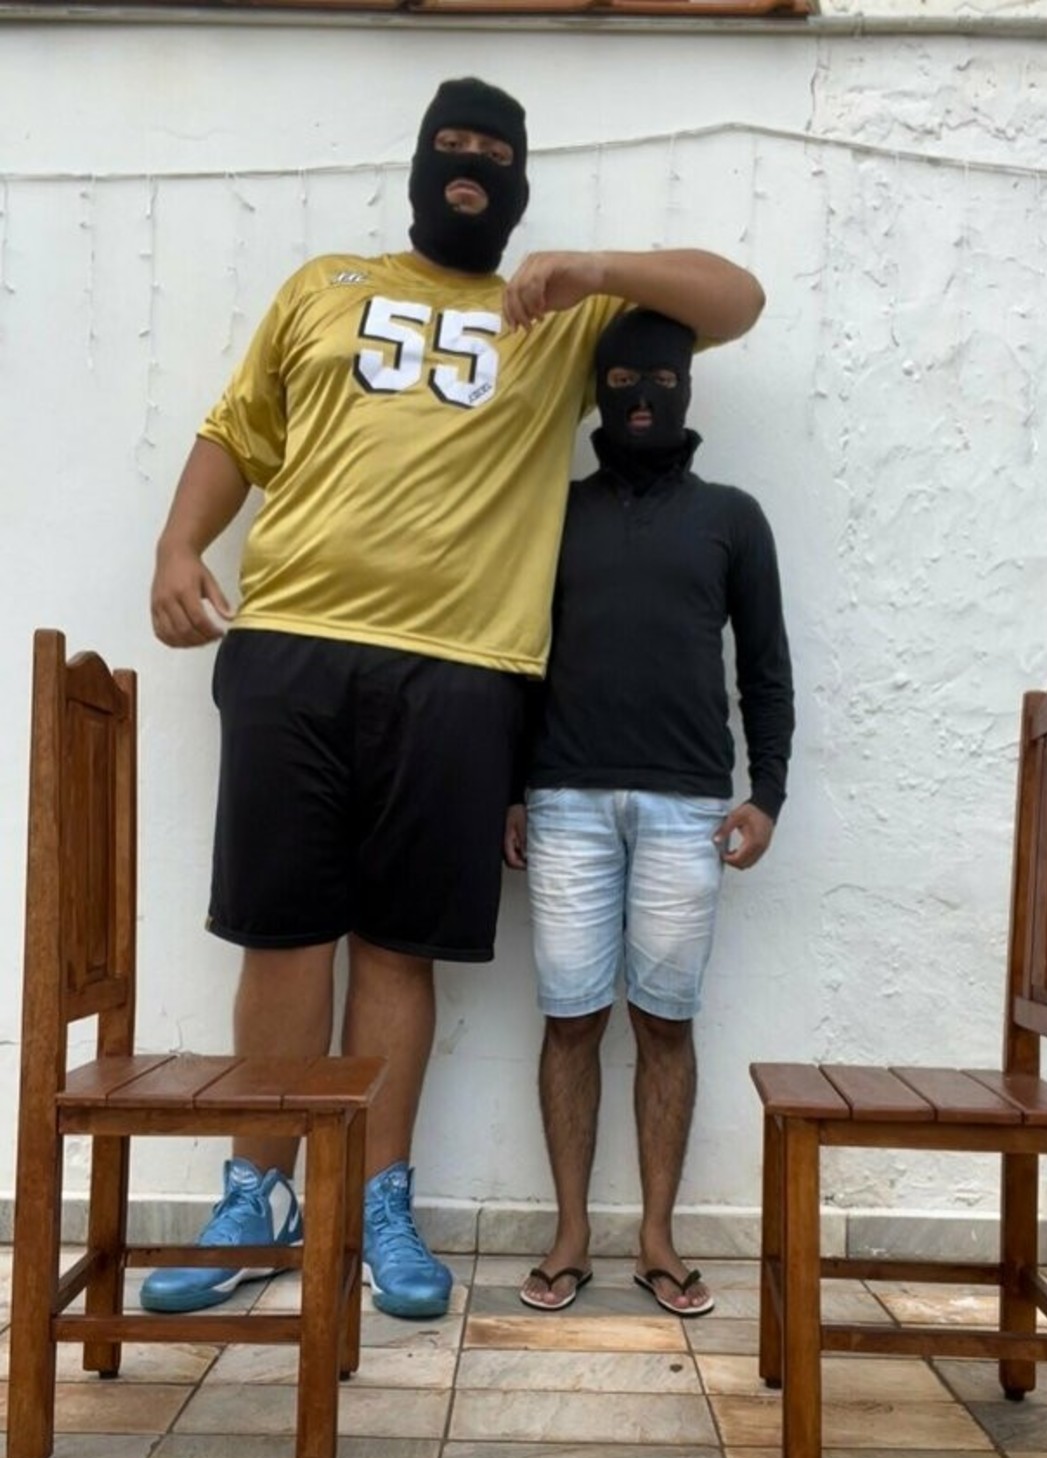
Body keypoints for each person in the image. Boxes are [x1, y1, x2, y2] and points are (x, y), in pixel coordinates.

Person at [142, 77, 766, 1321]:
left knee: (398, 945)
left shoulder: (560, 322)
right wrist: (176, 544)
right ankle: (255, 1197)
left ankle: (380, 1202)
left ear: (519, 181)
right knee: (282, 934)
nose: (470, 162)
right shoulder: (322, 286)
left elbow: (735, 297)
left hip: (466, 669)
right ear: (421, 163)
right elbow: (239, 431)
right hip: (294, 645)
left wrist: (591, 270)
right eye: (452, 144)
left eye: (494, 150)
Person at [505, 307, 794, 1316]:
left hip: (689, 808)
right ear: (598, 390)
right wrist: (511, 789)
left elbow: (766, 668)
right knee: (570, 1018)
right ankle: (570, 1235)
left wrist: (768, 795)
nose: (641, 398)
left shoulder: (733, 518)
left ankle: (658, 1238)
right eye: (623, 381)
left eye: (662, 381)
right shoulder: (554, 512)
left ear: (686, 388)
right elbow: (519, 661)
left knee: (665, 1023)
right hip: (565, 801)